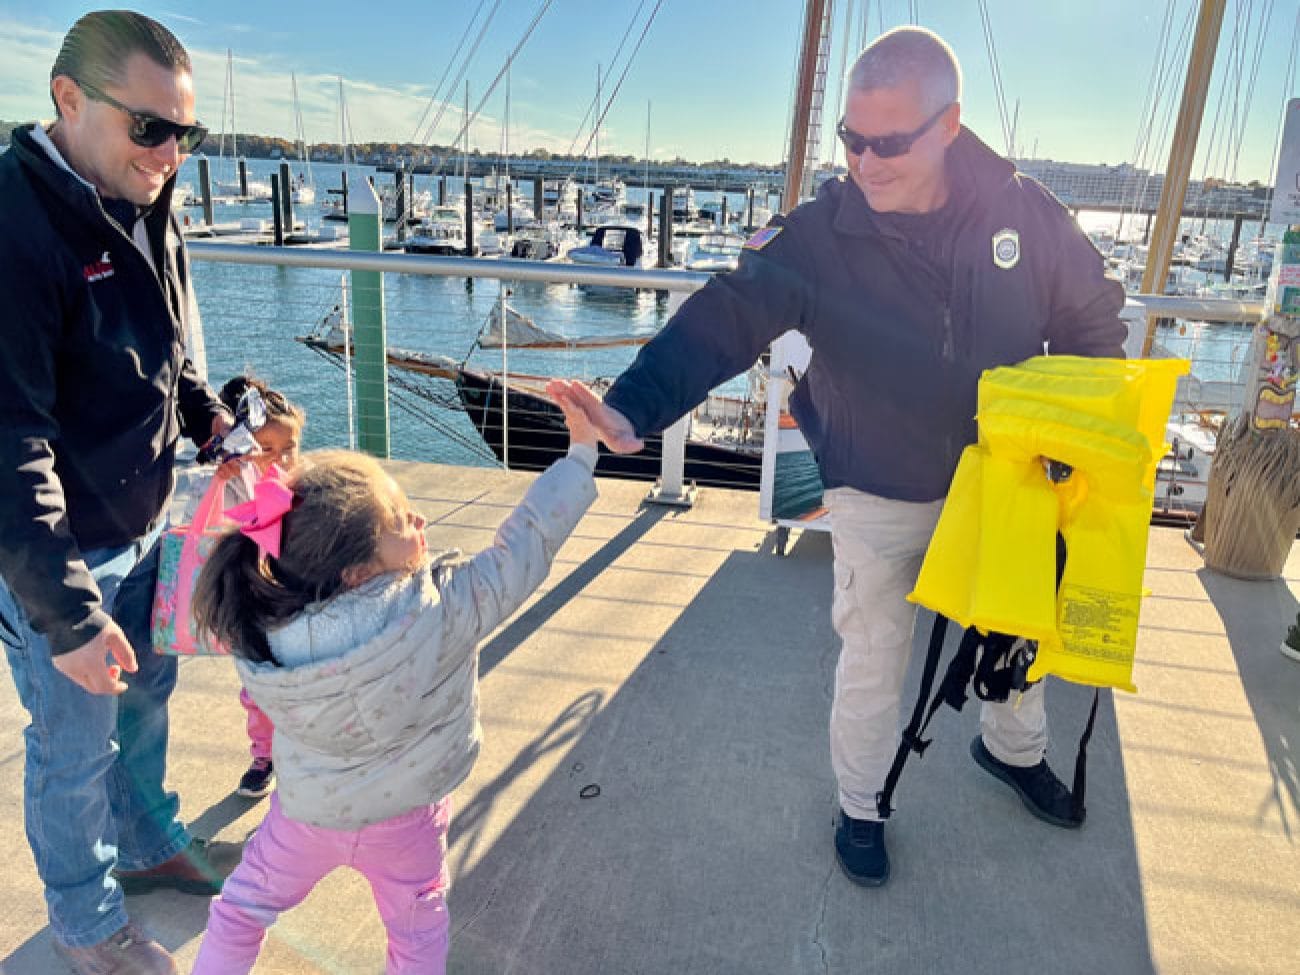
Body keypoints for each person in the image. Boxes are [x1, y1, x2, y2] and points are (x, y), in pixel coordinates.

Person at [550, 26, 1127, 888]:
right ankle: (862, 803)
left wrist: (1072, 431)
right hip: (877, 484)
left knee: (1019, 627)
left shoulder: (1024, 211)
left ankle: (1013, 750)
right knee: (874, 655)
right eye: (852, 140)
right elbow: (728, 313)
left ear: (949, 125)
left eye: (889, 143)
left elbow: (1092, 318)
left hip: (1005, 480)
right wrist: (634, 406)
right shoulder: (819, 235)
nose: (865, 162)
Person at [188, 386, 599, 974]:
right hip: (408, 816)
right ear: (357, 572)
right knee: (416, 930)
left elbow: (277, 542)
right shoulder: (444, 609)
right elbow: (526, 544)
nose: (420, 520)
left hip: (306, 812)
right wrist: (579, 456)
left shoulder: (262, 627)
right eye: (403, 520)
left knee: (240, 910)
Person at [0, 10, 228, 973]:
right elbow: (9, 441)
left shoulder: (144, 196)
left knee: (149, 698)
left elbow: (166, 354)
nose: (170, 154)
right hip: (66, 553)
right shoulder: (16, 226)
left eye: (185, 133)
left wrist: (215, 421)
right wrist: (68, 616)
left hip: (148, 520)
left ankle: (145, 842)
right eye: (150, 127)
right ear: (68, 99)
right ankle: (87, 922)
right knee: (72, 745)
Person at [182, 374, 306, 799]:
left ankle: (300, 753)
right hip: (248, 604)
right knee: (257, 689)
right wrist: (220, 480)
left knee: (299, 684)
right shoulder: (228, 481)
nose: (282, 459)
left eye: (290, 447)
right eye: (267, 449)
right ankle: (264, 755)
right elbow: (203, 527)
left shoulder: (305, 485)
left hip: (295, 604)